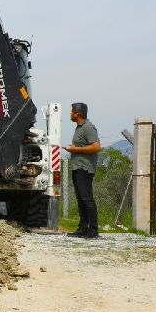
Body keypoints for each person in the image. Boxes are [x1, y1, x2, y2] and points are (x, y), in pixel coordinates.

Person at [64, 102, 101, 238]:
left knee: (87, 198)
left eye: (71, 112)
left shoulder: (88, 127)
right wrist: (74, 148)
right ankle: (82, 228)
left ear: (77, 114)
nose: (70, 114)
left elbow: (96, 147)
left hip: (85, 168)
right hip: (77, 167)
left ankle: (93, 230)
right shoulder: (79, 128)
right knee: (80, 199)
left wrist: (75, 149)